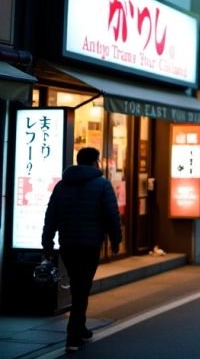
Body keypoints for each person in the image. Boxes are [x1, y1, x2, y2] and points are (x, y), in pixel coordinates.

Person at [41, 147, 122, 353]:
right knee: (81, 288)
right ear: (95, 162)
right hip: (90, 245)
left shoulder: (62, 185)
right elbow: (112, 215)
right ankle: (73, 335)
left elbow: (50, 215)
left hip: (67, 244)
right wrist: (115, 240)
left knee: (79, 287)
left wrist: (47, 244)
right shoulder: (102, 184)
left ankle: (80, 328)